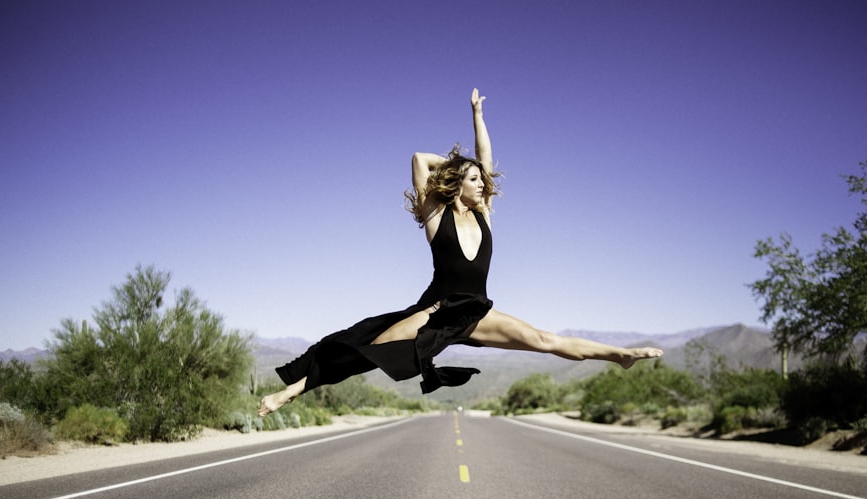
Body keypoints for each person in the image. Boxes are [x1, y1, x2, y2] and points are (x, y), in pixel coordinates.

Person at [258, 89, 662, 416]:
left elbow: (485, 162)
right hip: (436, 311)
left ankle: (619, 355)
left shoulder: (484, 213)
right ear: (457, 184)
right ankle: (292, 392)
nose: (483, 184)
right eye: (474, 180)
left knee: (543, 339)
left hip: (475, 312)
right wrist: (458, 164)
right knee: (370, 349)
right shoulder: (436, 215)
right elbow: (419, 159)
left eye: (481, 180)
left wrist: (478, 118)